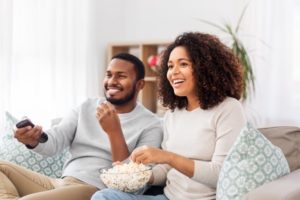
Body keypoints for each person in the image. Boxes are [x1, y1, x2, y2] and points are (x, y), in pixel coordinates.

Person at [91, 32, 247, 200]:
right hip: (167, 197)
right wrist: (136, 173)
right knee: (103, 197)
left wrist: (168, 157)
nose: (174, 72)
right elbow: (166, 170)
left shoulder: (228, 109)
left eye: (183, 64)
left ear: (205, 68)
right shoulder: (173, 114)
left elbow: (222, 174)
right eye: (170, 66)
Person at [0, 53, 163, 200]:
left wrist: (114, 132)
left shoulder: (151, 125)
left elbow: (133, 182)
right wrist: (32, 139)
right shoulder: (86, 107)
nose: (112, 81)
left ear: (140, 84)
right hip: (61, 183)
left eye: (121, 76)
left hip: (95, 190)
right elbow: (55, 142)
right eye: (108, 75)